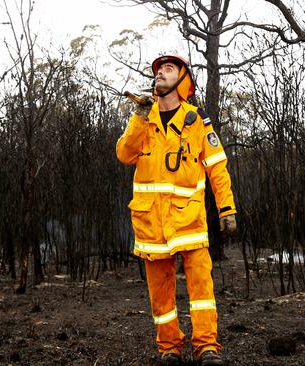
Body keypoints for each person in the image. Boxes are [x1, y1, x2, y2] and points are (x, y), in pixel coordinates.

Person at [116, 55, 237, 366]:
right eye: (158, 71)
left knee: (201, 286)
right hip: (150, 222)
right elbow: (124, 154)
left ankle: (207, 348)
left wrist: (226, 208)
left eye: (168, 69)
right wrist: (138, 117)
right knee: (160, 294)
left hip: (189, 219)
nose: (160, 74)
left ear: (183, 81)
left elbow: (217, 167)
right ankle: (169, 349)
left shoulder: (197, 122)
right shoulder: (145, 118)